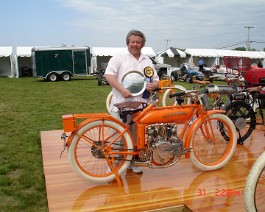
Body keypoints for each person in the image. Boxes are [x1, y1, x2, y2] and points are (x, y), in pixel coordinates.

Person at [104, 30, 159, 173]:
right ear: (128, 42)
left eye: (138, 42)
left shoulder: (147, 61)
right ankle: (112, 168)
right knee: (117, 139)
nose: (135, 44)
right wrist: (122, 89)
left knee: (135, 138)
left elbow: (155, 79)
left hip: (140, 108)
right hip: (120, 106)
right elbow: (109, 75)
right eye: (132, 41)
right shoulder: (119, 57)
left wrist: (155, 85)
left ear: (142, 44)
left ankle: (132, 163)